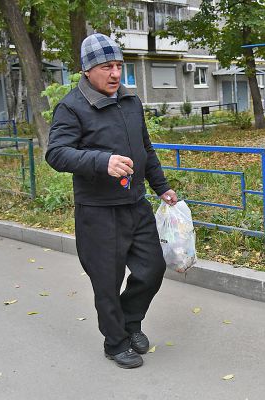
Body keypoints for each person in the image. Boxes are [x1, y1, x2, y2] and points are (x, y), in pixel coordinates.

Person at [46, 33, 178, 369]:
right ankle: (116, 342)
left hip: (136, 205)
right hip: (98, 213)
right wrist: (101, 161)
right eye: (107, 67)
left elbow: (146, 150)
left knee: (152, 270)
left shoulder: (130, 103)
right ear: (88, 71)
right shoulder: (71, 107)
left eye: (119, 65)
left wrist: (161, 186)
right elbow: (57, 153)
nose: (116, 74)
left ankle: (130, 323)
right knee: (107, 281)